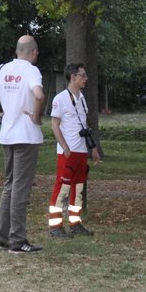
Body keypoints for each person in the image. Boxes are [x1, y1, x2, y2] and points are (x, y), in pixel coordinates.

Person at [0, 35, 46, 254]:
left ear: (17, 51)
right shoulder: (31, 71)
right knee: (20, 188)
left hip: (7, 134)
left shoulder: (2, 69)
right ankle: (17, 241)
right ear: (33, 52)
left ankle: (0, 238)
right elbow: (39, 95)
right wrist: (37, 117)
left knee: (9, 186)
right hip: (26, 136)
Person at [48, 62, 101, 238]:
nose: (86, 78)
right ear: (73, 77)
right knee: (62, 188)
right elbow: (54, 125)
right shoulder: (60, 98)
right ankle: (55, 226)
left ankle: (75, 223)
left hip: (81, 151)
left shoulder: (82, 97)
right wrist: (64, 146)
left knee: (78, 188)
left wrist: (92, 148)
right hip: (67, 152)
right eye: (83, 75)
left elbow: (84, 125)